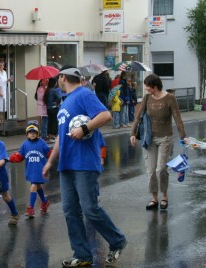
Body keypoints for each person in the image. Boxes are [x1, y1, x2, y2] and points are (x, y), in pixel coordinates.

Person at [43, 66, 126, 266]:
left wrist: (84, 128)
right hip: (66, 165)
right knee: (70, 210)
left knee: (89, 209)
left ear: (62, 77)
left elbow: (106, 116)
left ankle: (117, 241)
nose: (57, 81)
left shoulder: (84, 94)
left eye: (58, 78)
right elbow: (61, 139)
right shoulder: (65, 103)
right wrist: (49, 162)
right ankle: (82, 254)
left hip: (85, 162)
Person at [130, 74, 186, 210]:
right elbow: (138, 116)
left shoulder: (170, 99)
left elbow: (177, 118)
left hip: (165, 138)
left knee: (161, 169)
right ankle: (154, 198)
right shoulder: (147, 98)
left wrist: (183, 136)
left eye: (148, 88)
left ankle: (164, 196)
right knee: (151, 170)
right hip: (148, 139)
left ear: (155, 87)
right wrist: (132, 133)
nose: (146, 90)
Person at [10, 121, 51, 218]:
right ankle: (44, 202)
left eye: (34, 132)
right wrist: (13, 158)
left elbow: (49, 153)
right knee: (38, 187)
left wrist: (57, 154)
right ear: (27, 134)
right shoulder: (25, 145)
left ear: (38, 133)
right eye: (30, 132)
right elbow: (20, 156)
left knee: (33, 186)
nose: (32, 134)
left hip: (40, 170)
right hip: (31, 170)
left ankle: (30, 208)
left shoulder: (42, 143)